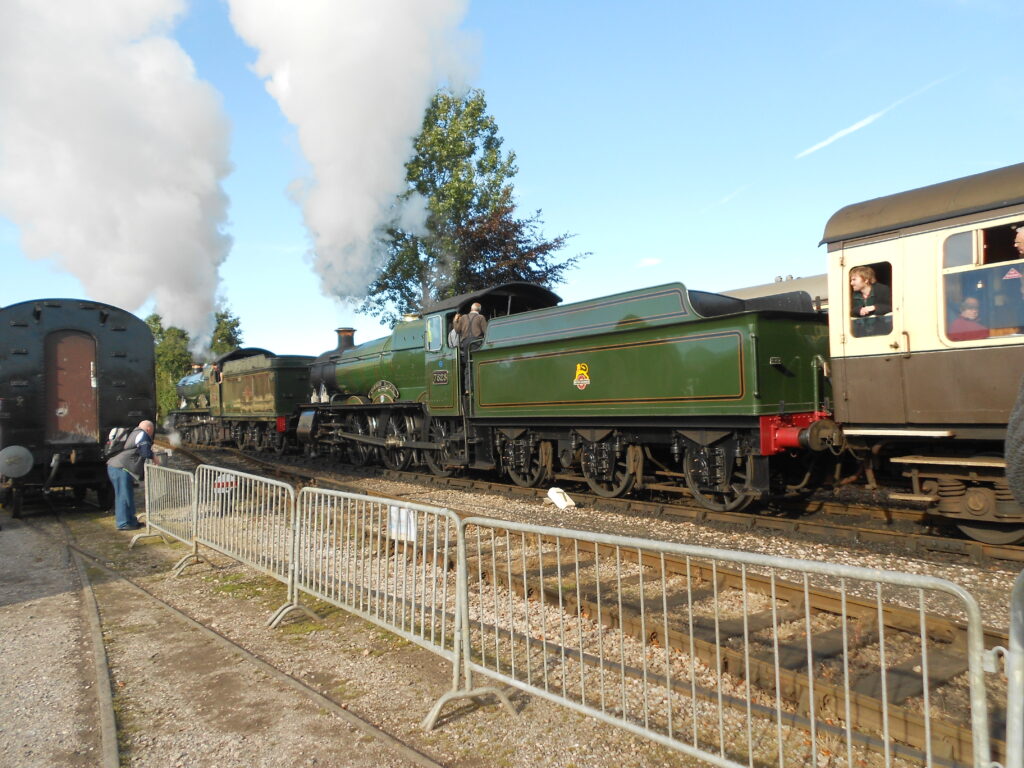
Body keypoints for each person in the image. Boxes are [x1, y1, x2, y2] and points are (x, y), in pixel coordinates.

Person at [106, 419, 156, 530]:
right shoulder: (142, 434)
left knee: (127, 495)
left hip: (118, 467)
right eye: (151, 432)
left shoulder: (134, 432)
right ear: (149, 429)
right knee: (123, 496)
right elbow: (145, 452)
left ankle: (131, 521)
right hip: (120, 468)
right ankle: (123, 523)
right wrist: (154, 458)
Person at [849, 265, 892, 337]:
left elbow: (893, 307)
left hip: (883, 334)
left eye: (854, 280)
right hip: (862, 335)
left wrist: (874, 307)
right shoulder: (852, 295)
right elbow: (851, 311)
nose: (851, 283)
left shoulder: (882, 289)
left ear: (866, 280)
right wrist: (859, 310)